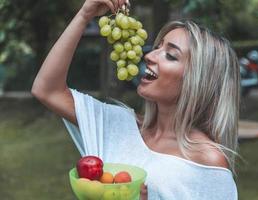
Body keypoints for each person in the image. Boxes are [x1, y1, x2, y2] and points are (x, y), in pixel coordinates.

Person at [31, 0, 240, 199]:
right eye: (158, 47)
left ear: (197, 80)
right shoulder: (118, 124)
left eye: (171, 55)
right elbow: (47, 90)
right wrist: (85, 15)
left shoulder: (207, 160)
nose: (150, 56)